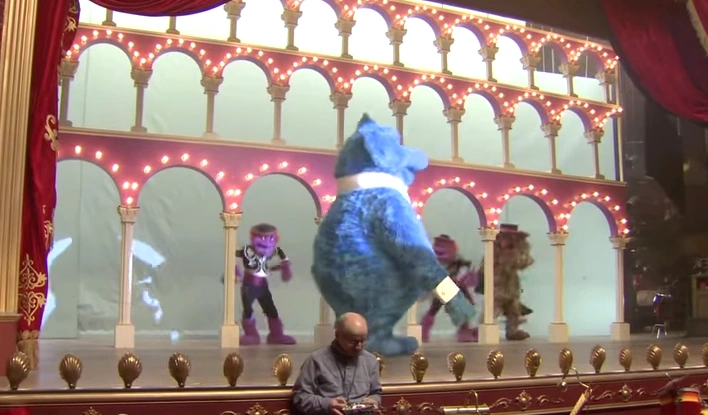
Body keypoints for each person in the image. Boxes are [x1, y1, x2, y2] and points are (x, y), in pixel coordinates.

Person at [312, 114, 475, 357]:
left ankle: (351, 333)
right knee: (411, 268)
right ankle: (376, 336)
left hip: (332, 280)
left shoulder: (343, 202)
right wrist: (455, 300)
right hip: (371, 282)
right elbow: (419, 257)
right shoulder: (387, 200)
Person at [292, 313, 382, 415]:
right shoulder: (316, 360)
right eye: (353, 342)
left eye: (363, 341)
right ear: (337, 335)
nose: (359, 346)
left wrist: (374, 401)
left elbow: (376, 393)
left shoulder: (370, 361)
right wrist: (327, 404)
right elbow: (299, 396)